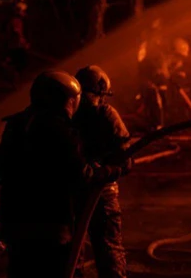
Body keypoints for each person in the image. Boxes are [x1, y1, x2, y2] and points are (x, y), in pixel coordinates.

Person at [0, 71, 130, 278]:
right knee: (66, 264)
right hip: (50, 222)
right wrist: (106, 172)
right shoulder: (60, 129)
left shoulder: (18, 123)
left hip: (14, 221)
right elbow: (80, 173)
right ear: (69, 99)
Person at [73, 66, 130, 278]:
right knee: (73, 251)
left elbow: (126, 160)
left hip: (101, 193)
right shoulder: (69, 114)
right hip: (75, 192)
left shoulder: (106, 115)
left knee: (108, 251)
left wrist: (106, 170)